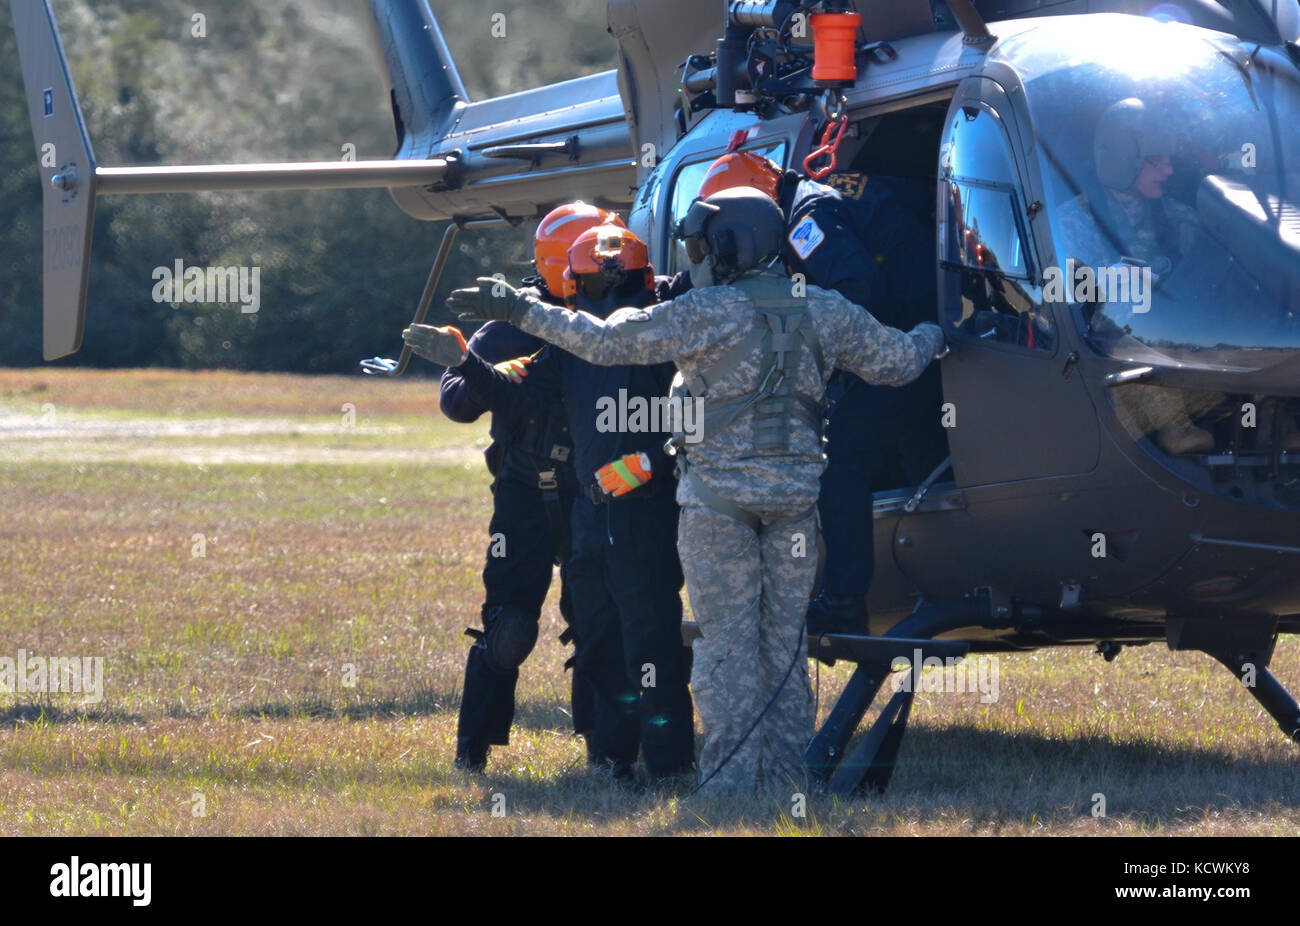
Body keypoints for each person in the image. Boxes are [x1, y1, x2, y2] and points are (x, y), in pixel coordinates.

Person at [441, 188, 945, 794]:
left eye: (703, 244)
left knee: (725, 651)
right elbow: (900, 362)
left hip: (719, 512)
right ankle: (786, 784)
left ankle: (730, 789)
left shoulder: (705, 314)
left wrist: (523, 312)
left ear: (730, 247)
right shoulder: (827, 310)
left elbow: (603, 341)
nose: (697, 256)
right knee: (783, 654)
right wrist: (934, 329)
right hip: (794, 514)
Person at [413, 223, 696, 784]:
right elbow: (511, 394)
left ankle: (667, 765)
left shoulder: (674, 332)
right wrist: (466, 363)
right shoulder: (571, 346)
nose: (603, 294)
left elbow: (704, 416)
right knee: (598, 639)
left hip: (642, 513)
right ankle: (612, 762)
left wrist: (652, 463)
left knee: (650, 639)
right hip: (586, 510)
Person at [410, 202, 621, 772]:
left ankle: (606, 755)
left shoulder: (626, 321)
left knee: (599, 623)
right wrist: (492, 372)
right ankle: (472, 753)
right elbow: (456, 402)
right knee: (509, 627)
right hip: (524, 493)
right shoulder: (507, 325)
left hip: (595, 492)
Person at [698, 151, 944, 635]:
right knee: (913, 451)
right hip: (934, 329)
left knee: (840, 460)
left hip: (909, 340)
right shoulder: (829, 188)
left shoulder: (803, 223)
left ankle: (844, 601)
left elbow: (857, 289)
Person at [1056, 98, 1220, 455]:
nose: (1169, 171)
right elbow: (1073, 303)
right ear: (1122, 160)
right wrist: (1114, 280)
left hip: (1187, 343)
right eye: (1156, 162)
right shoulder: (1073, 222)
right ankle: (1173, 424)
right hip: (1114, 359)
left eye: (1169, 160)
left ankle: (1271, 416)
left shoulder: (1181, 217)